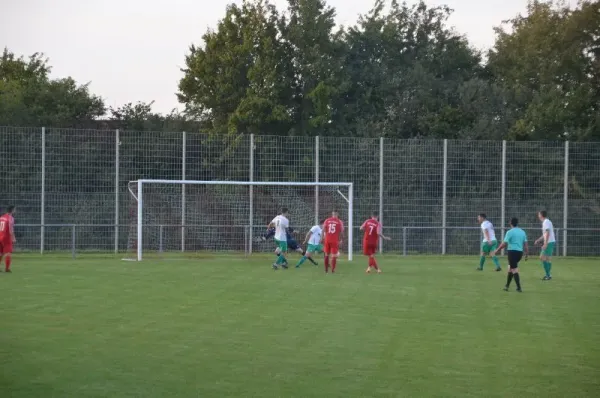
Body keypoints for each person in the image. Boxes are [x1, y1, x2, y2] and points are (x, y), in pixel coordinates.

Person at [494, 217, 528, 292]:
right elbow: (525, 244)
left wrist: (497, 250)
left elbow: (504, 243)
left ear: (510, 223)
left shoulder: (510, 232)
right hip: (519, 253)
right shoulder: (522, 232)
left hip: (512, 252)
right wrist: (526, 253)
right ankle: (507, 286)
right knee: (510, 268)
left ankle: (519, 287)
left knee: (514, 269)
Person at [534, 210, 555, 280]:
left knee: (542, 257)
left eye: (539, 214)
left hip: (549, 242)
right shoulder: (547, 221)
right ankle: (548, 275)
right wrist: (538, 240)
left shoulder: (545, 222)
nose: (538, 215)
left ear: (541, 215)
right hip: (550, 242)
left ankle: (548, 275)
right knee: (547, 259)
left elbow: (547, 233)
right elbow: (545, 234)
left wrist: (545, 243)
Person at [0, 205, 16, 273]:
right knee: (8, 253)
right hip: (6, 237)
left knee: (0, 253)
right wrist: (13, 238)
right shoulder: (11, 218)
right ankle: (7, 269)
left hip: (0, 236)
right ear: (12, 210)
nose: (15, 211)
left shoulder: (1, 217)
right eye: (15, 209)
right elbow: (10, 230)